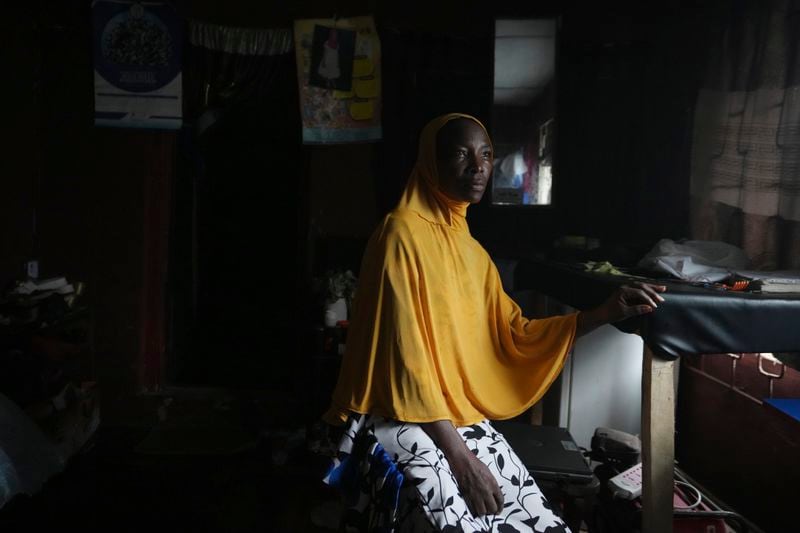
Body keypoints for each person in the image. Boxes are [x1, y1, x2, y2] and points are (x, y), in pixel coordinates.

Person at [321, 113, 666, 532]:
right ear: (432, 162)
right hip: (401, 415)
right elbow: (405, 360)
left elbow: (515, 333)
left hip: (454, 416)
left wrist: (603, 314)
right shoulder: (400, 235)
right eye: (461, 154)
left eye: (486, 154)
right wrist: (462, 460)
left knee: (535, 522)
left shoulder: (472, 254)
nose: (478, 166)